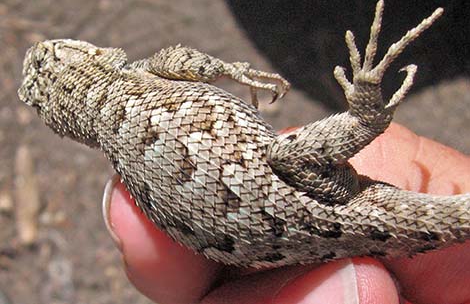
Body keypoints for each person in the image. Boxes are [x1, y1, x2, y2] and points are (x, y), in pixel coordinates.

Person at [102, 124, 470, 304]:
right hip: (311, 209)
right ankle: (366, 119)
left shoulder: (127, 168)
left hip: (292, 226)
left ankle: (365, 120)